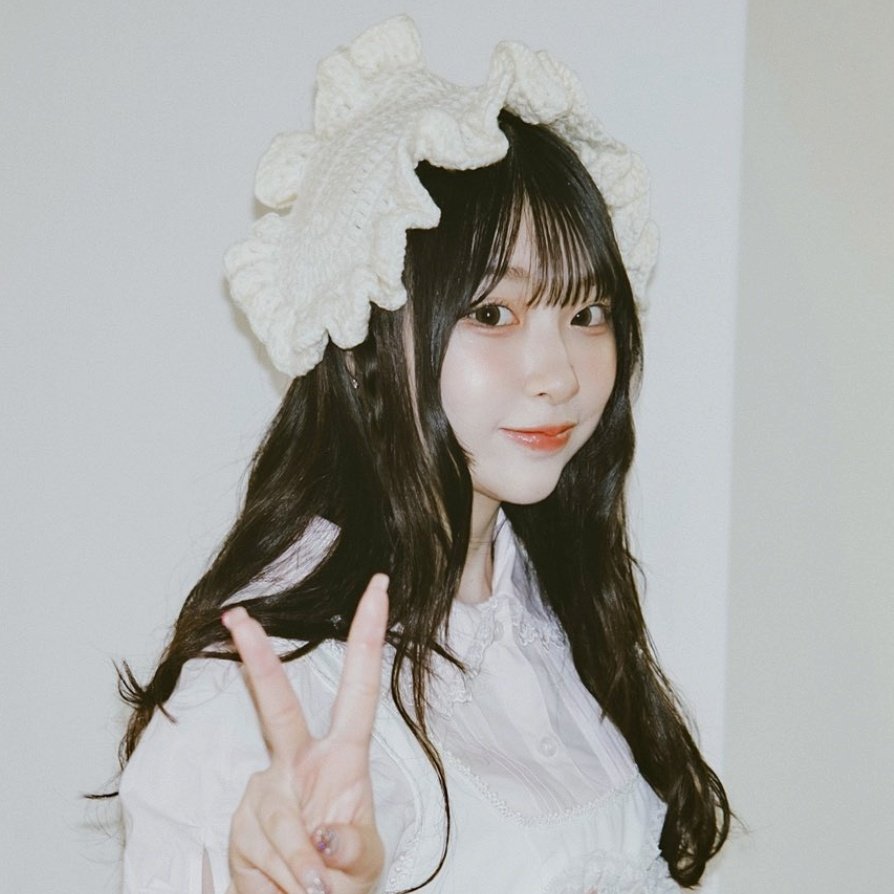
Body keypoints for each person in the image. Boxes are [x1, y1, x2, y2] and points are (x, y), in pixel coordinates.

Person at [114, 16, 730, 894]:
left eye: (587, 313)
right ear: (367, 344)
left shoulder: (546, 612)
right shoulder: (272, 691)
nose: (560, 373)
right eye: (494, 313)